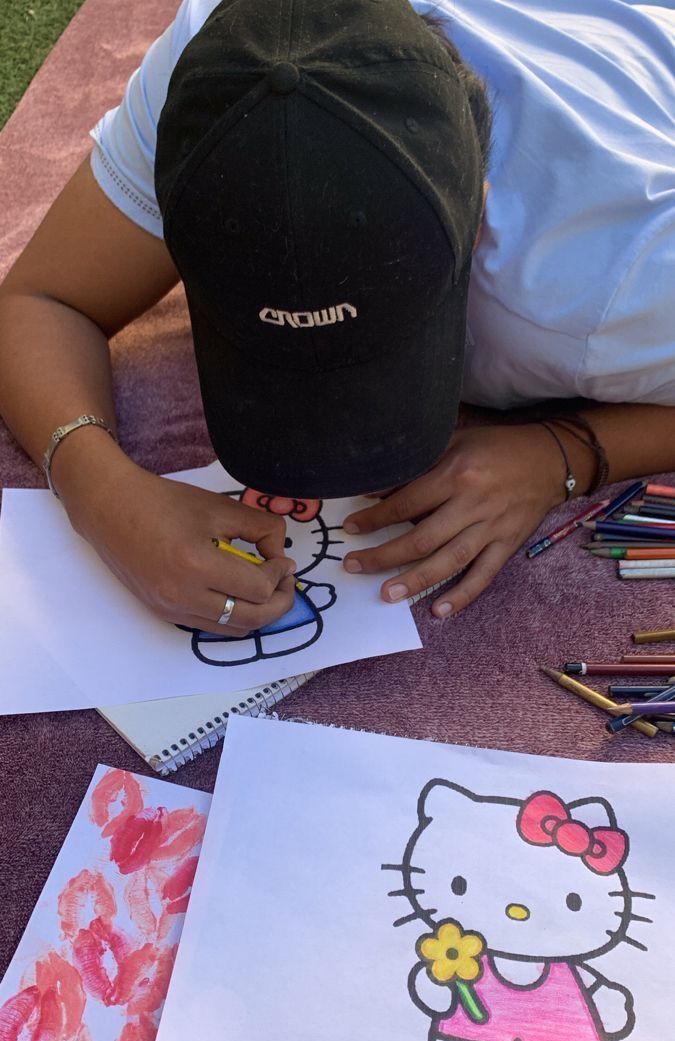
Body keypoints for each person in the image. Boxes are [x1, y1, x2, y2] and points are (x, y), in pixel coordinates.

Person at [0, 0, 673, 639]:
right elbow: (40, 299)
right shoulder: (235, 67)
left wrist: (566, 453)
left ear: (477, 223)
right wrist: (98, 491)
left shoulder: (623, 277)